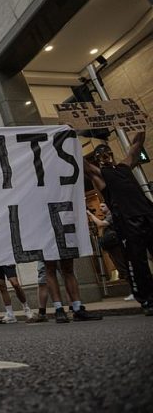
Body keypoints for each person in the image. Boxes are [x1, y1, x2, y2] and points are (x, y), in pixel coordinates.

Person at [84, 134, 153, 315]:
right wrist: (67, 138)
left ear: (111, 154)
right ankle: (147, 299)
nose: (104, 157)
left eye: (106, 154)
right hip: (128, 222)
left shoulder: (124, 166)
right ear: (98, 160)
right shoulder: (101, 176)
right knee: (138, 263)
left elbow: (135, 147)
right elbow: (85, 167)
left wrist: (138, 126)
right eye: (100, 156)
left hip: (147, 214)